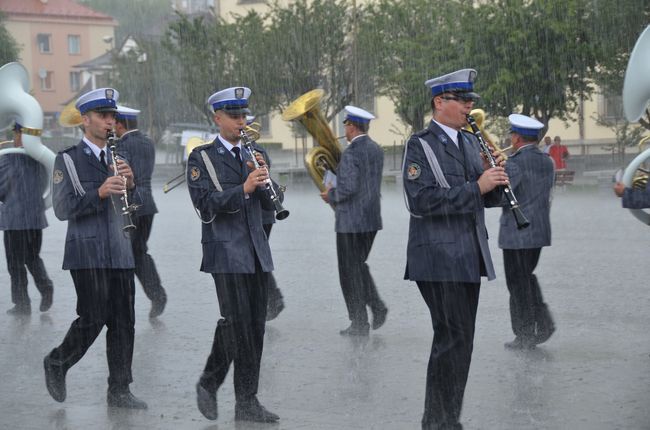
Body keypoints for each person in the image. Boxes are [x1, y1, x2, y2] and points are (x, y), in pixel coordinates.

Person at [402, 69, 508, 429]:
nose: (468, 107)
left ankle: (449, 418)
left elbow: (481, 198)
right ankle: (436, 421)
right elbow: (419, 201)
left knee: (462, 341)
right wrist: (477, 186)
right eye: (461, 101)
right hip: (436, 257)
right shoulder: (420, 144)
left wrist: (496, 182)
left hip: (467, 254)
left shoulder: (468, 142)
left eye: (469, 102)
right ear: (439, 102)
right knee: (450, 338)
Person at [43, 88, 148, 410]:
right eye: (103, 116)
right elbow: (62, 208)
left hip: (120, 250)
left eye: (113, 117)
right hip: (86, 253)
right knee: (93, 317)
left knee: (124, 322)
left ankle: (119, 389)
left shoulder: (121, 159)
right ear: (85, 120)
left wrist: (131, 186)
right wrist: (100, 193)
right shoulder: (68, 159)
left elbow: (137, 207)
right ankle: (58, 362)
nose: (110, 122)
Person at [188, 86, 279, 423]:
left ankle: (247, 401)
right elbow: (205, 205)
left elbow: (269, 206)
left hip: (256, 250)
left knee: (255, 327)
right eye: (234, 115)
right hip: (225, 251)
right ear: (218, 118)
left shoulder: (256, 154)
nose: (242, 121)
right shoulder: (202, 157)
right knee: (234, 324)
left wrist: (271, 188)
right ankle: (208, 384)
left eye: (244, 115)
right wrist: (242, 189)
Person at [320, 105, 388, 336]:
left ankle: (360, 320)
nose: (344, 129)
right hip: (370, 219)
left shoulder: (351, 153)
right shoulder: (376, 149)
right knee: (358, 267)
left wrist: (330, 195)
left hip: (350, 222)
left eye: (346, 125)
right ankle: (376, 308)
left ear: (351, 126)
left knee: (348, 273)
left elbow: (348, 188)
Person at [500, 114, 556, 350]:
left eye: (512, 134)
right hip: (539, 230)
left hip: (517, 232)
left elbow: (504, 197)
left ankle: (525, 333)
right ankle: (542, 322)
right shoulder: (546, 160)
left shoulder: (515, 162)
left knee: (517, 283)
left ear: (517, 137)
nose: (510, 138)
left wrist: (491, 174)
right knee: (526, 276)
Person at [114, 105, 167, 318]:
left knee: (129, 255)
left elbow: (123, 174)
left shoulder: (122, 146)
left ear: (119, 124)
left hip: (131, 205)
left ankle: (153, 296)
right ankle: (156, 294)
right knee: (139, 252)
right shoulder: (147, 142)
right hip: (148, 205)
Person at [0, 122, 53, 315]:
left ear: (18, 134)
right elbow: (44, 184)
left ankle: (22, 304)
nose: (15, 137)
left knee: (15, 263)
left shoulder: (7, 159)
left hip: (15, 220)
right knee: (32, 258)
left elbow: (1, 188)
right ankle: (45, 287)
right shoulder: (39, 158)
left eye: (17, 133)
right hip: (34, 217)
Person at [246, 115, 285, 321]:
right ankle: (269, 300)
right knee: (256, 259)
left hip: (262, 214)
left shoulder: (255, 151)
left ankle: (273, 299)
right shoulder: (253, 149)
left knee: (257, 260)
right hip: (263, 214)